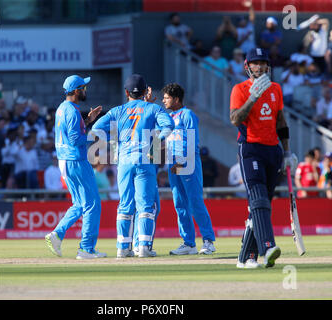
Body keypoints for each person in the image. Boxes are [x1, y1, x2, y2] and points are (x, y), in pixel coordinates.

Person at [91, 74, 174, 258]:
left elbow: (95, 128)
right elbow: (169, 125)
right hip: (145, 160)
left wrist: (114, 144)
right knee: (145, 205)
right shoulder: (153, 108)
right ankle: (143, 247)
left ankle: (122, 248)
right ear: (145, 92)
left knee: (125, 205)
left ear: (126, 92)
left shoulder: (117, 111)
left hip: (124, 163)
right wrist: (157, 141)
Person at [229, 48, 298, 269]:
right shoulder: (239, 89)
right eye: (255, 63)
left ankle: (245, 258)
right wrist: (253, 97)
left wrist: (287, 151)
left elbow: (281, 122)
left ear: (268, 66)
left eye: (263, 63)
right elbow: (234, 119)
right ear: (247, 66)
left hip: (273, 151)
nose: (259, 67)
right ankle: (268, 247)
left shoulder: (276, 89)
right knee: (258, 200)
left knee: (260, 206)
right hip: (250, 148)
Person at [44, 75, 106, 260]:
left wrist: (87, 122)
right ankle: (86, 249)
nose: (86, 90)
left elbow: (72, 134)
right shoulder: (71, 110)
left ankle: (57, 234)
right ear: (77, 90)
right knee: (92, 204)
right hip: (76, 160)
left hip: (66, 160)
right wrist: (94, 136)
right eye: (83, 87)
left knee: (79, 204)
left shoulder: (63, 109)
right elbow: (75, 139)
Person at [161, 83, 216, 255]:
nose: (163, 100)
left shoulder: (187, 114)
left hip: (187, 163)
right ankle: (189, 243)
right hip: (173, 164)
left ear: (176, 99)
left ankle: (208, 241)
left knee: (195, 202)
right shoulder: (167, 117)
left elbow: (192, 140)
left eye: (167, 97)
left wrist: (184, 161)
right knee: (179, 204)